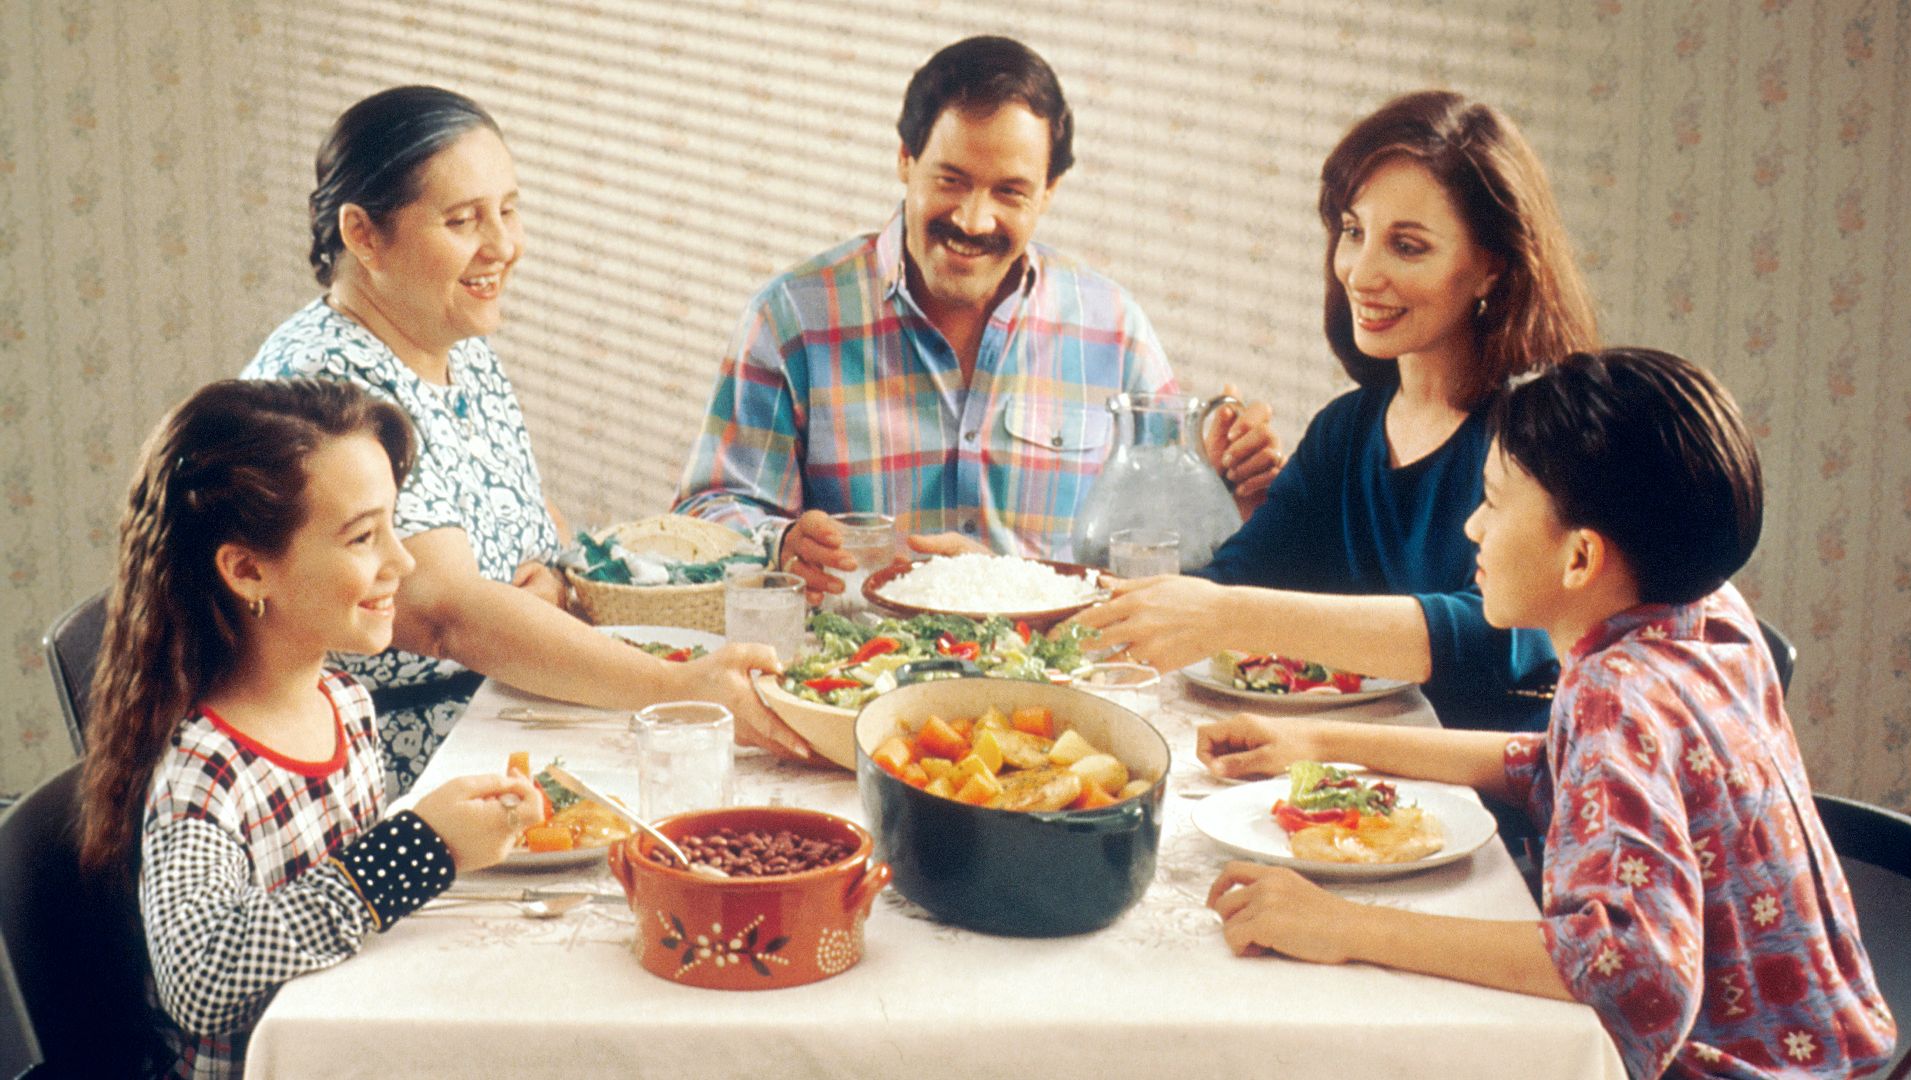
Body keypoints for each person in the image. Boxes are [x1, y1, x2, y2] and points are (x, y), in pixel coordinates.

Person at [1201, 349, 1897, 1078]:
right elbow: (1559, 763)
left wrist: (1342, 925)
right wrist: (1316, 739)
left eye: (1494, 502)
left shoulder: (1616, 693)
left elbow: (1629, 966)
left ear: (1580, 559)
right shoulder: (1709, 613)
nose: (1473, 527)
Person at [243, 85, 806, 794]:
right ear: (362, 235)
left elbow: (531, 525)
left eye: (508, 210)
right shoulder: (327, 387)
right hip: (387, 769)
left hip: (503, 714)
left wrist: (557, 579)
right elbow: (447, 615)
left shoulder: (454, 341)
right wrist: (679, 686)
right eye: (462, 220)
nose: (504, 246)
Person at [673, 35, 1282, 602]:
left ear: (1049, 192)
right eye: (951, 180)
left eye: (1009, 192)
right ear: (906, 160)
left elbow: (1163, 557)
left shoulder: (1113, 328)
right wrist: (779, 544)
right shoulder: (792, 319)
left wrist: (1227, 490)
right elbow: (707, 513)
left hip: (1056, 689)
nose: (973, 219)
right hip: (851, 680)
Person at [1076, 90, 1601, 732]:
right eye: (1353, 232)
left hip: (1502, 803)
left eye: (1407, 246)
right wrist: (1019, 590)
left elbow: (1501, 633)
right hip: (1351, 782)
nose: (1360, 271)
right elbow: (1232, 580)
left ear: (1491, 268)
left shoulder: (1541, 437)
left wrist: (1232, 613)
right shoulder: (1347, 430)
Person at [76, 379, 546, 1079]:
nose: (404, 560)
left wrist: (451, 840)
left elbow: (348, 915)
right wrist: (416, 850)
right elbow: (201, 978)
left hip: (359, 1044)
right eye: (363, 536)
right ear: (246, 570)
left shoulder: (343, 700)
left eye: (394, 524)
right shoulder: (205, 771)